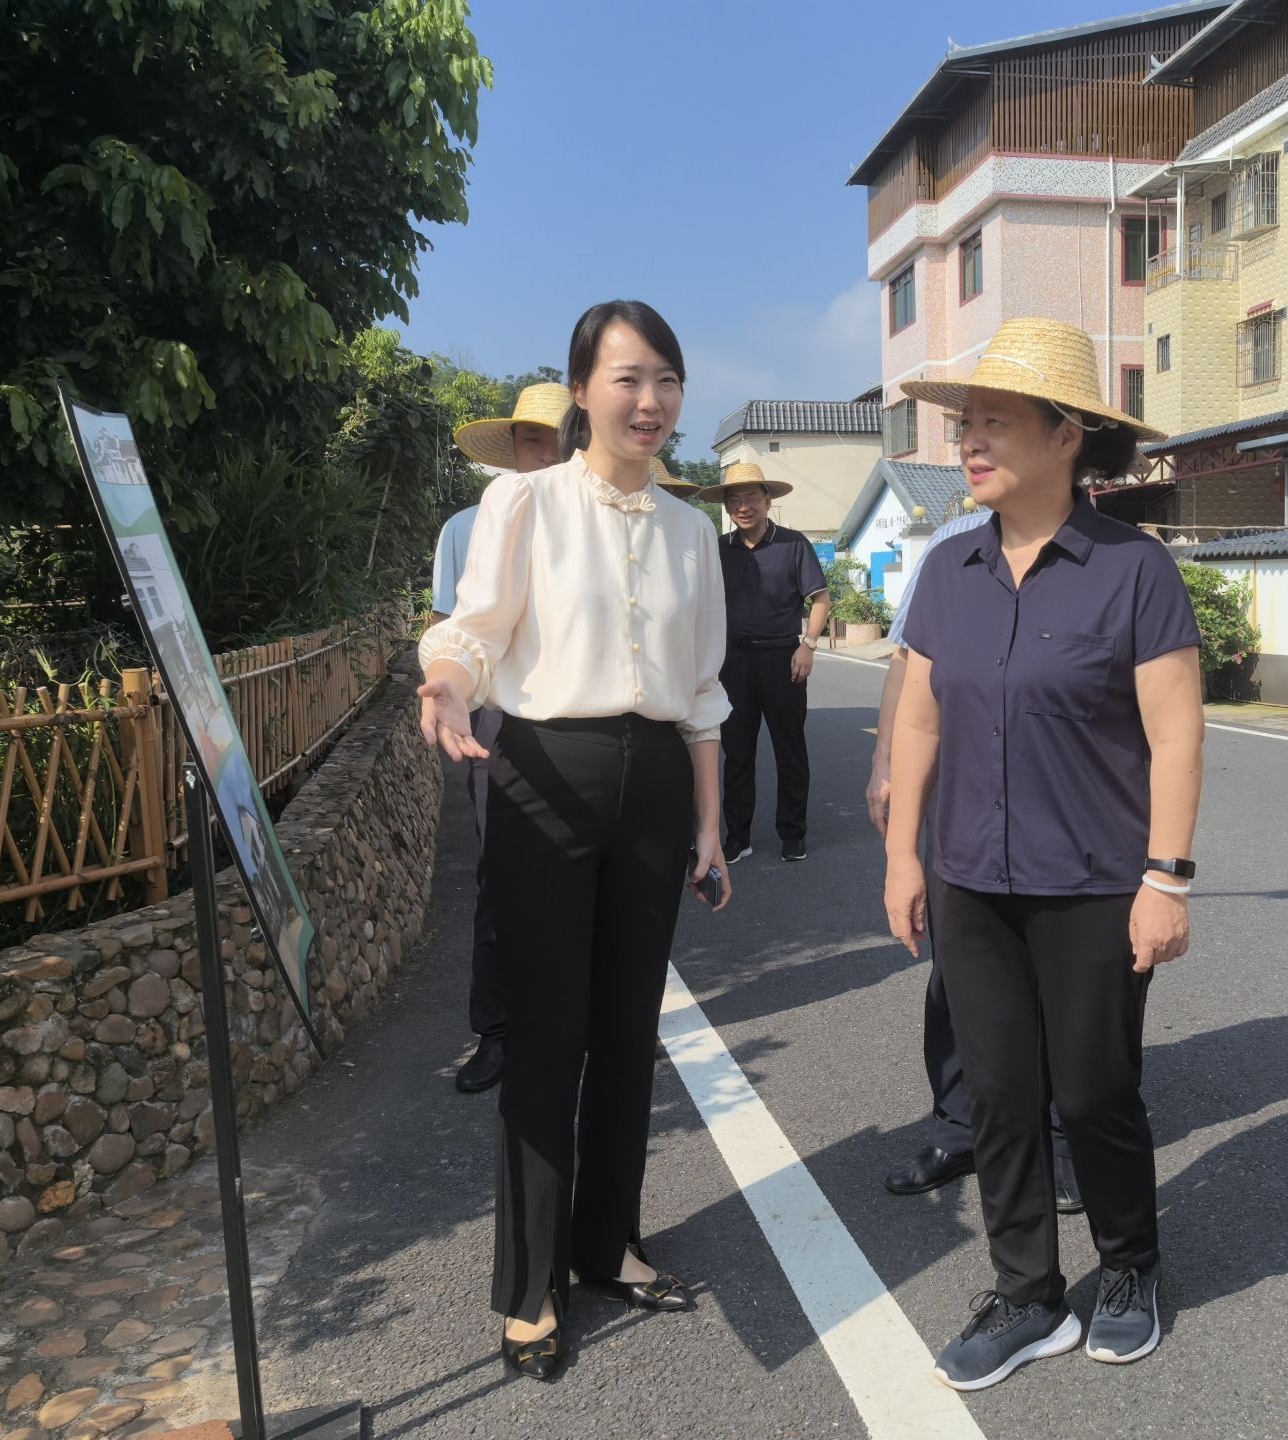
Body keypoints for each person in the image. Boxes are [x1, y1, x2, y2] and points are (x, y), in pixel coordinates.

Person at [883, 318, 1205, 1391]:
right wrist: (902, 857)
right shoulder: (948, 570)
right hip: (973, 878)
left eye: (995, 423)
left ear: (1067, 435)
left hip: (1096, 885)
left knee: (1096, 1088)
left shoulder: (1131, 569)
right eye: (966, 423)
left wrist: (1167, 877)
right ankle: (1027, 1295)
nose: (970, 442)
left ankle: (1129, 1268)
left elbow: (1174, 733)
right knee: (1000, 1095)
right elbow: (919, 723)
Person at [416, 300, 731, 1382]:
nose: (650, 402)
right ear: (583, 389)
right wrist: (448, 689)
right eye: (628, 379)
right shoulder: (526, 501)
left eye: (667, 381)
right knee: (547, 1035)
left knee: (628, 1032)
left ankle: (607, 1246)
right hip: (547, 768)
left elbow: (700, 698)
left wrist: (709, 829)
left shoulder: (696, 533)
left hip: (652, 789)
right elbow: (472, 631)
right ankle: (529, 1287)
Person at [869, 503, 1083, 1216]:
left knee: (1059, 983)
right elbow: (909, 666)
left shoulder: (1105, 552)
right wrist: (883, 764)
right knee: (957, 980)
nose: (977, 440)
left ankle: (1059, 1140)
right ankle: (960, 1128)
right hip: (964, 797)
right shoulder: (950, 550)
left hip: (1060, 804)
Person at [432, 380, 570, 1095]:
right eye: (528, 437)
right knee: (503, 876)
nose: (541, 450)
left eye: (553, 435)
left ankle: (590, 1023)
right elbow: (446, 628)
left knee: (592, 877)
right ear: (512, 447)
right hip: (498, 721)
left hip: (587, 723)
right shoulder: (468, 525)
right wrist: (448, 690)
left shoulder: (600, 526)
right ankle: (498, 1029)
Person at [698, 461, 830, 862]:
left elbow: (820, 598)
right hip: (732, 661)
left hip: (782, 659)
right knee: (736, 753)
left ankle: (793, 833)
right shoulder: (718, 549)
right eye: (734, 499)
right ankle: (738, 836)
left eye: (751, 498)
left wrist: (807, 645)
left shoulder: (793, 544)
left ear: (767, 501)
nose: (743, 506)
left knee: (790, 749)